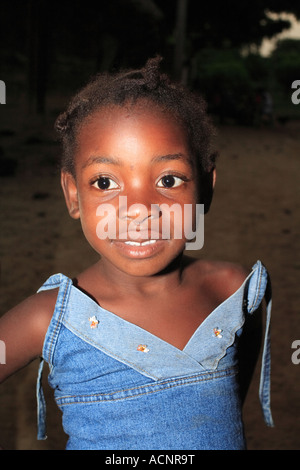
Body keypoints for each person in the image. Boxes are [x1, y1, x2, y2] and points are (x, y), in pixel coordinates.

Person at [0, 57, 273, 450]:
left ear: (205, 188)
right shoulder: (49, 318)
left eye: (168, 179)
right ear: (73, 194)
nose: (139, 207)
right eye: (105, 181)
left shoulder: (234, 292)